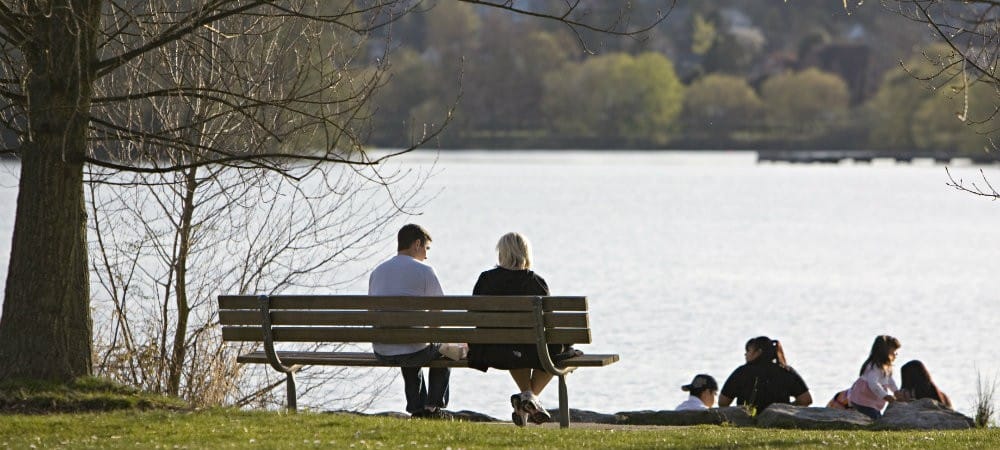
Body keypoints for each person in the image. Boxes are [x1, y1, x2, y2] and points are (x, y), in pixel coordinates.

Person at [468, 232, 570, 427]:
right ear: (526, 253)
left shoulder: (485, 279)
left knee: (514, 345)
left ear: (502, 253)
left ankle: (526, 402)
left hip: (492, 350)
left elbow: (474, 312)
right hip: (530, 350)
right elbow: (547, 323)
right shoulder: (535, 282)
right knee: (560, 352)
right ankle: (530, 398)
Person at [369, 224, 451, 419]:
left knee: (411, 346)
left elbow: (373, 312)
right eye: (426, 248)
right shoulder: (424, 271)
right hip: (412, 349)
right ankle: (432, 407)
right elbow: (439, 312)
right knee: (445, 350)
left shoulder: (377, 272)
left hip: (382, 350)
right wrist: (430, 337)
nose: (426, 255)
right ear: (416, 244)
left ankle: (417, 409)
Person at [718, 336, 812, 413]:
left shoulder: (741, 372)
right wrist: (787, 408)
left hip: (747, 419)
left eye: (748, 351)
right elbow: (806, 400)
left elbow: (723, 402)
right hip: (779, 419)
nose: (745, 354)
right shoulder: (785, 371)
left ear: (758, 352)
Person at [847, 335, 902, 420]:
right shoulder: (874, 367)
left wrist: (896, 391)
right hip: (863, 400)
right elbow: (873, 384)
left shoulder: (886, 367)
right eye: (894, 352)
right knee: (874, 418)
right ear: (886, 352)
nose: (896, 354)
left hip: (872, 401)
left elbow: (890, 380)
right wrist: (886, 396)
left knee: (876, 415)